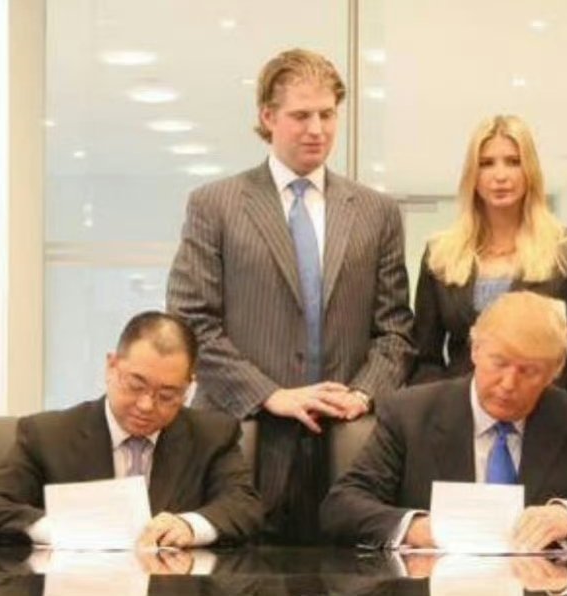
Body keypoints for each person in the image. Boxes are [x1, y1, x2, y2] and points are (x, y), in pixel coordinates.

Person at [166, 48, 414, 543]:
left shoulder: (377, 212)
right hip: (244, 438)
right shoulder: (215, 205)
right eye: (301, 116)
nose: (317, 129)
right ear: (268, 116)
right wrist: (271, 395)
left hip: (347, 447)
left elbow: (395, 330)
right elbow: (192, 322)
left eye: (327, 114)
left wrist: (362, 394)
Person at [320, 292, 567, 550]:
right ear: (476, 350)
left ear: (555, 371)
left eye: (529, 371)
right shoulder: (411, 413)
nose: (508, 383)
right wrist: (416, 529)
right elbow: (342, 506)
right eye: (499, 363)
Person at [0, 311, 262, 547]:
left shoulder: (212, 435)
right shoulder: (48, 435)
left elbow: (244, 506)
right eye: (136, 385)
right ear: (111, 366)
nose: (146, 405)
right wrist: (57, 528)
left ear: (188, 388)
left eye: (167, 395)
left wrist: (190, 526)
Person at [411, 114, 567, 402]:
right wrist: (439, 408)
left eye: (513, 162)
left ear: (530, 170)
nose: (500, 176)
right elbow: (425, 360)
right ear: (472, 176)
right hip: (461, 413)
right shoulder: (440, 255)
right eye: (486, 163)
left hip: (545, 410)